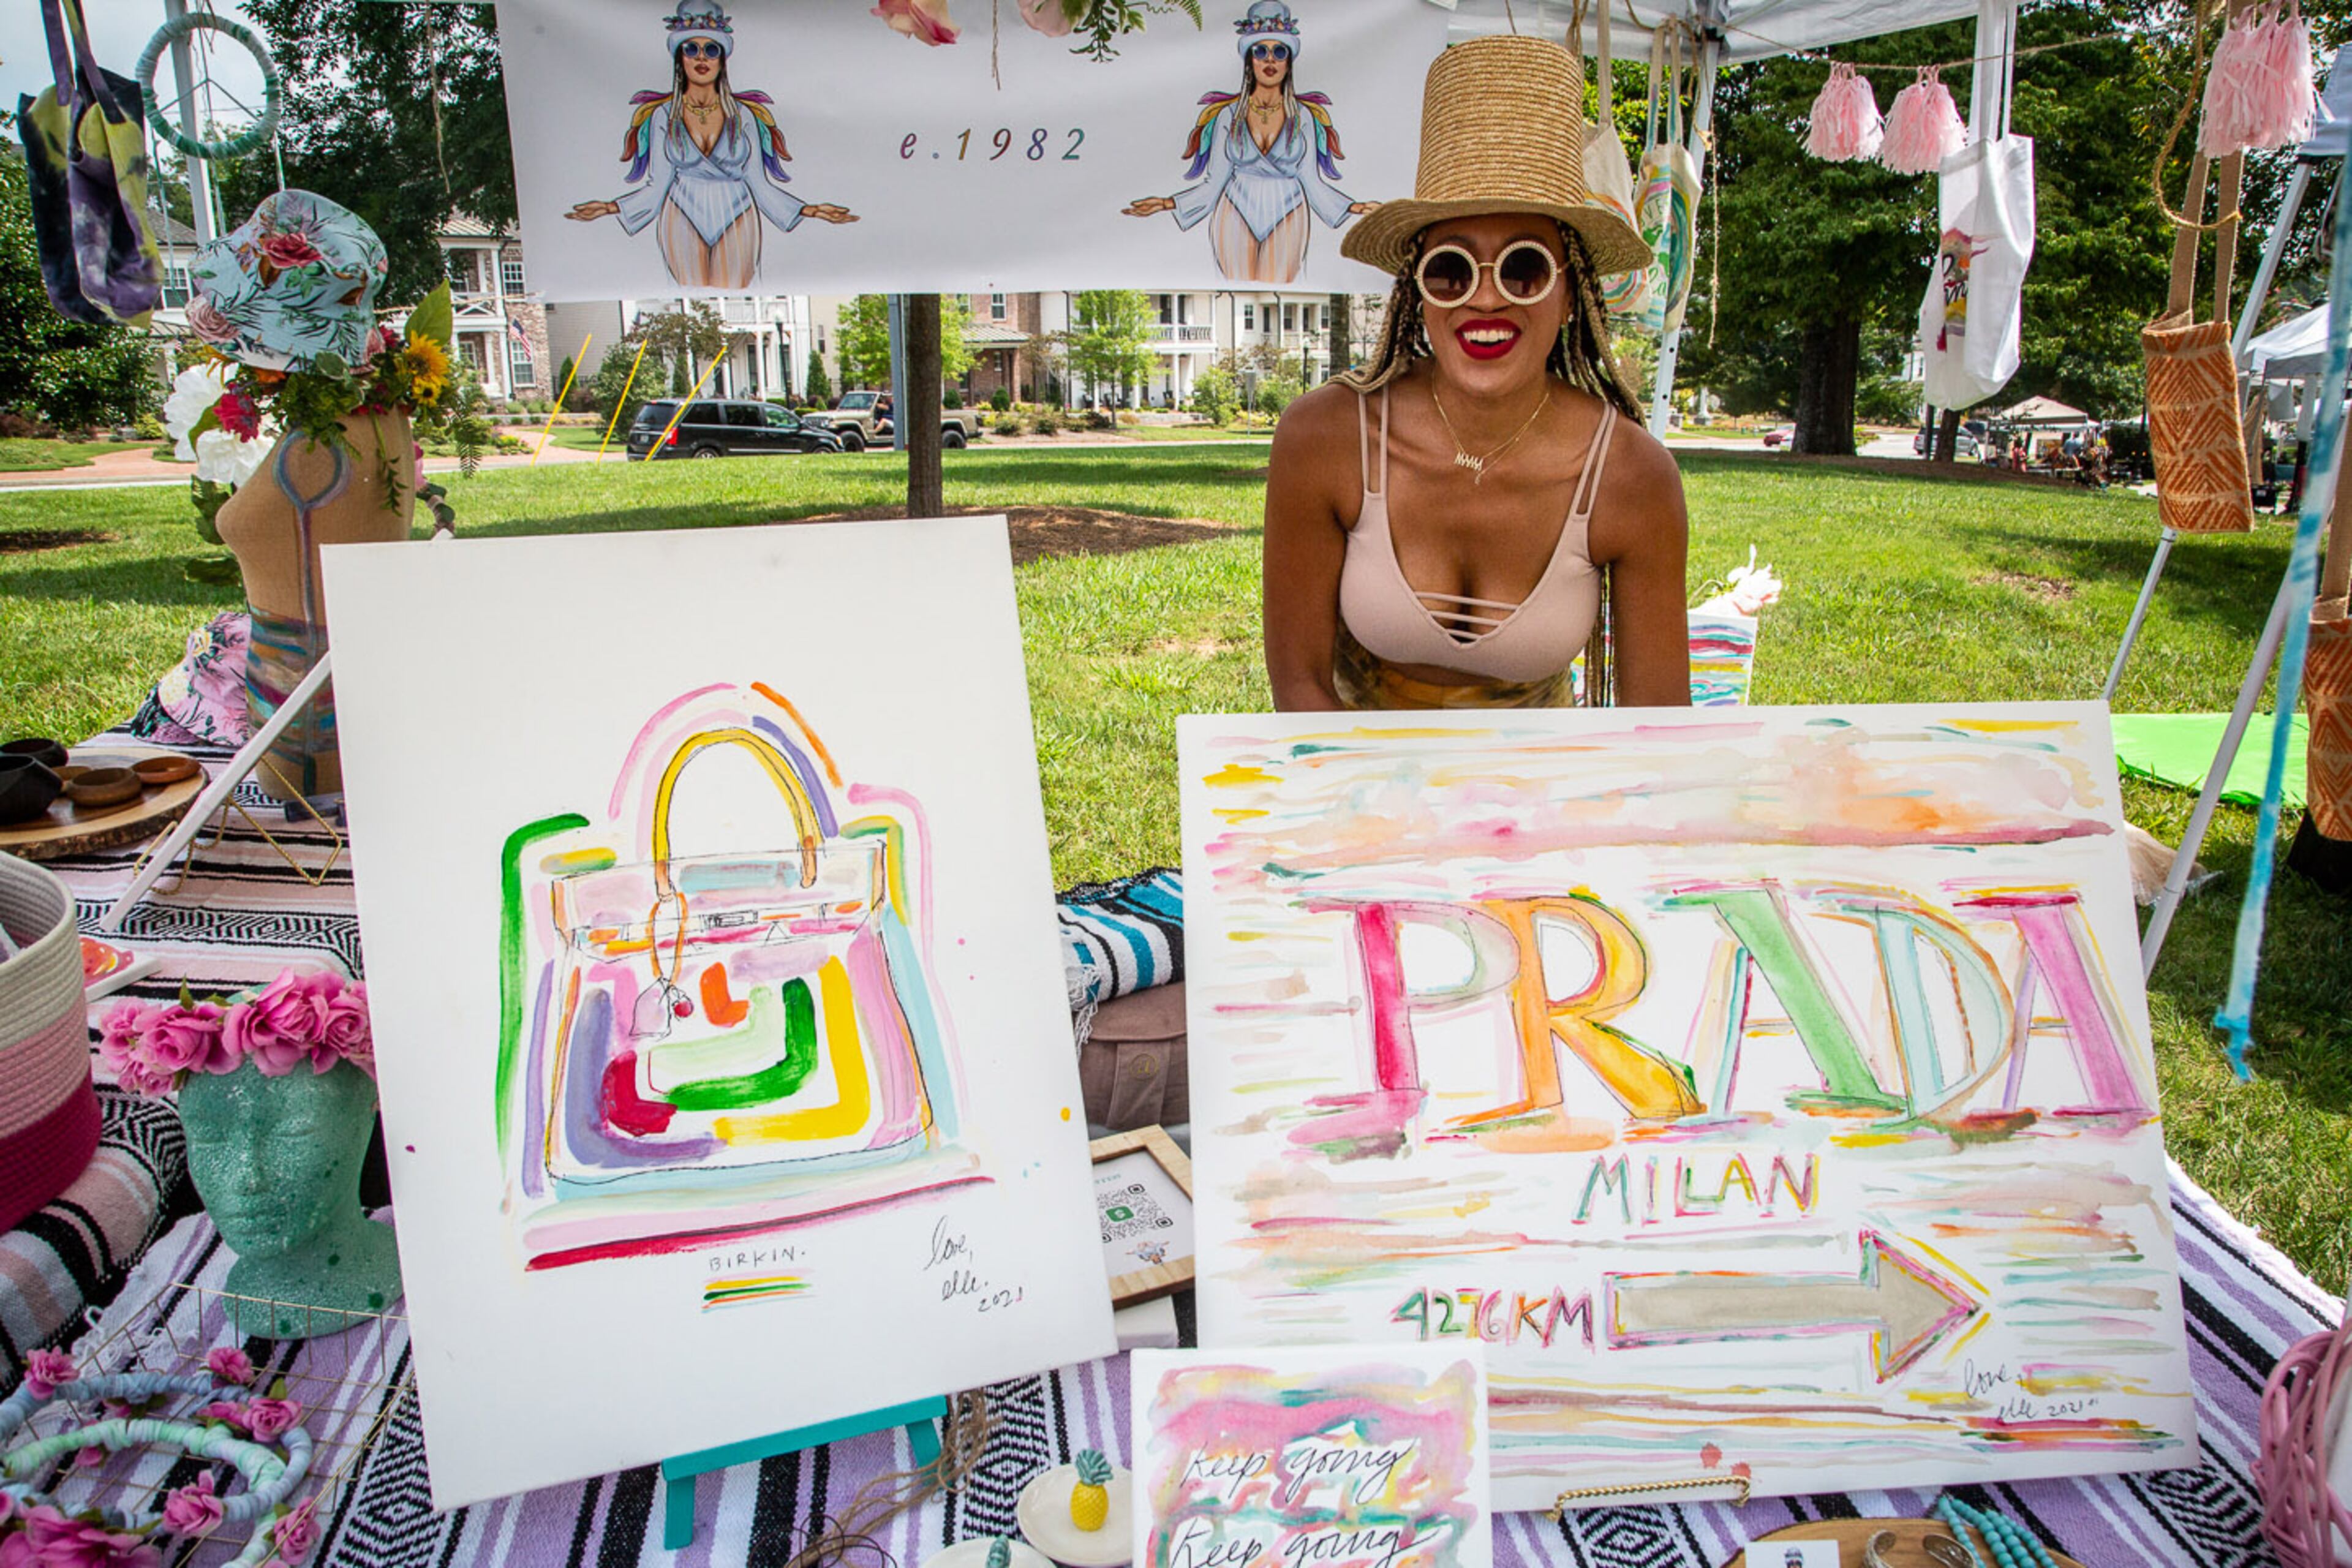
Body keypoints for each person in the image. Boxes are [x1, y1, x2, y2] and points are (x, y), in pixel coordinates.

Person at [1262, 35, 1689, 711]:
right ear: (1418, 290)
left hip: (1543, 800)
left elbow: (1658, 728)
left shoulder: (1632, 477)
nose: (1485, 299)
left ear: (1570, 292)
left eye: (1524, 267)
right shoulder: (1327, 438)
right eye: (1451, 270)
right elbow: (1300, 685)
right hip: (1352, 789)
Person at [567, 2, 856, 288]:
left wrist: (810, 211)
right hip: (682, 209)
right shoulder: (663, 115)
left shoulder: (743, 114)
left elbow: (758, 182)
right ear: (680, 57)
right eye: (691, 49)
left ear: (722, 58)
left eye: (712, 49)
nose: (701, 58)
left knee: (736, 290)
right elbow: (658, 185)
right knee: (690, 295)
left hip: (738, 210)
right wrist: (610, 207)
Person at [1121, 1, 1372, 284]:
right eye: (1260, 51)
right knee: (1236, 289)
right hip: (1235, 207)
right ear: (1249, 59)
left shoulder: (1304, 116)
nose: (1269, 60)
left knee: (1281, 289)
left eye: (1279, 51)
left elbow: (1311, 181)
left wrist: (1357, 208)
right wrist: (1166, 204)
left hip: (1289, 208)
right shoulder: (1228, 114)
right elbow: (1214, 182)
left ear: (1289, 61)